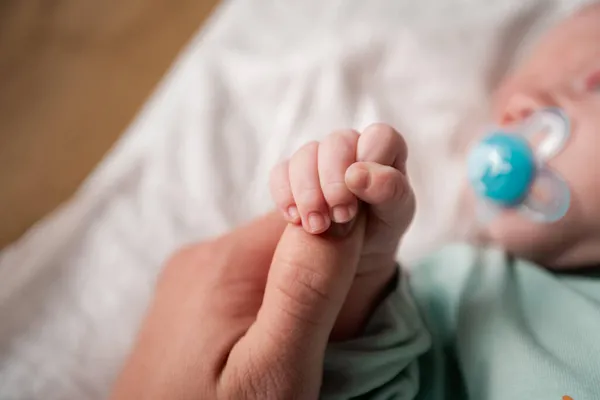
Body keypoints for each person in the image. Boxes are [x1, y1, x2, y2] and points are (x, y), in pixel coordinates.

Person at [111, 3, 600, 399]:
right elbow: (367, 384)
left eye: (592, 84)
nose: (520, 114)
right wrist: (360, 281)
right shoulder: (464, 290)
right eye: (518, 98)